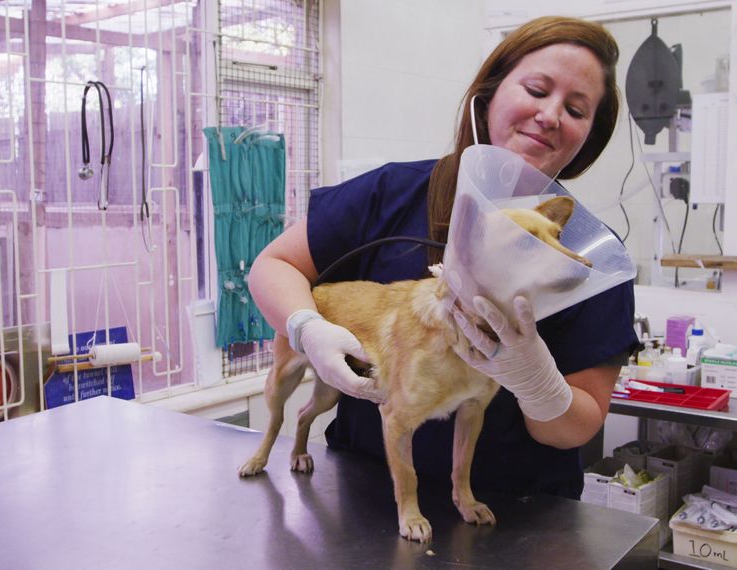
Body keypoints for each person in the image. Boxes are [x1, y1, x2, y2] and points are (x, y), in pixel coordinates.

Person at [248, 16, 637, 499]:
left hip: (519, 513)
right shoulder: (390, 192)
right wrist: (305, 325)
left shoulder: (590, 259)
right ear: (489, 92)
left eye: (577, 110)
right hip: (362, 492)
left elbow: (576, 426)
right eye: (537, 89)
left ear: (587, 138)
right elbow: (272, 266)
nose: (552, 115)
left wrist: (538, 383)